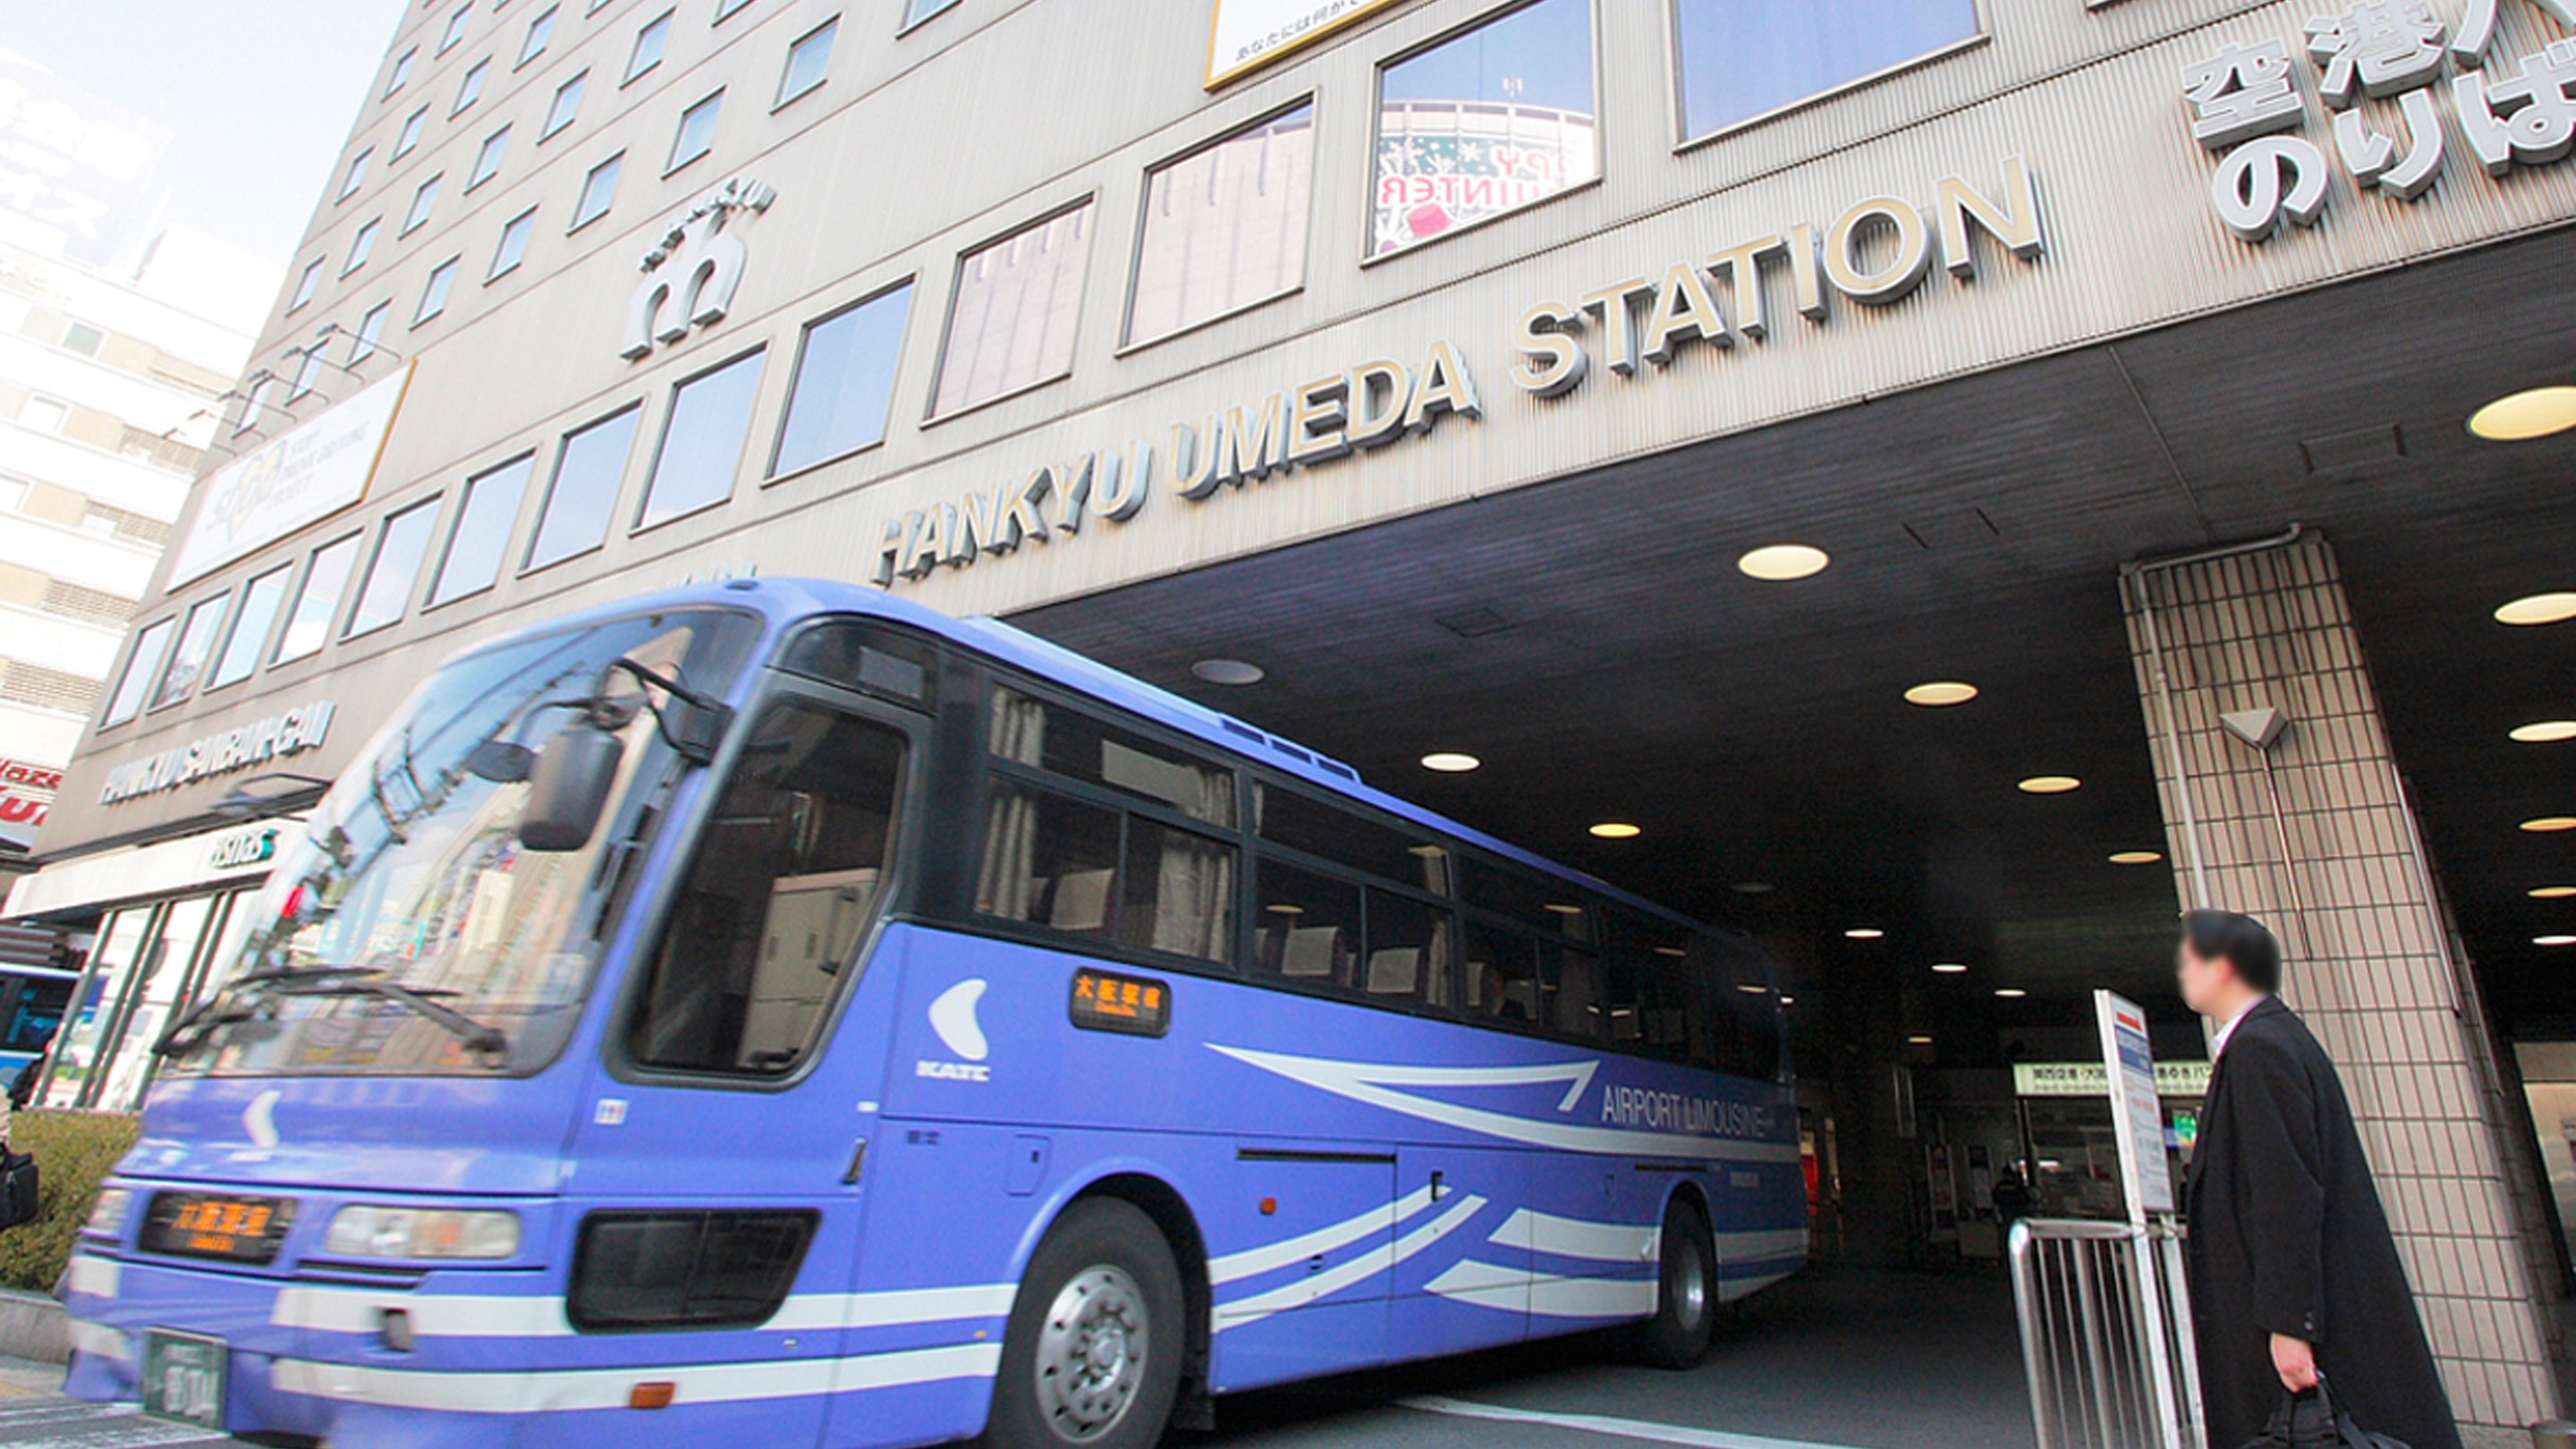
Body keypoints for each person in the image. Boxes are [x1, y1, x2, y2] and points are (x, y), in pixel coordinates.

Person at [2176, 909, 2461, 1449]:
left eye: (2190, 960)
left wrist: (2291, 1326)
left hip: (2294, 1325)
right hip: (2314, 1307)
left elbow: (2285, 1192)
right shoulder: (2278, 1040)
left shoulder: (2258, 1051)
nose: (2182, 972)